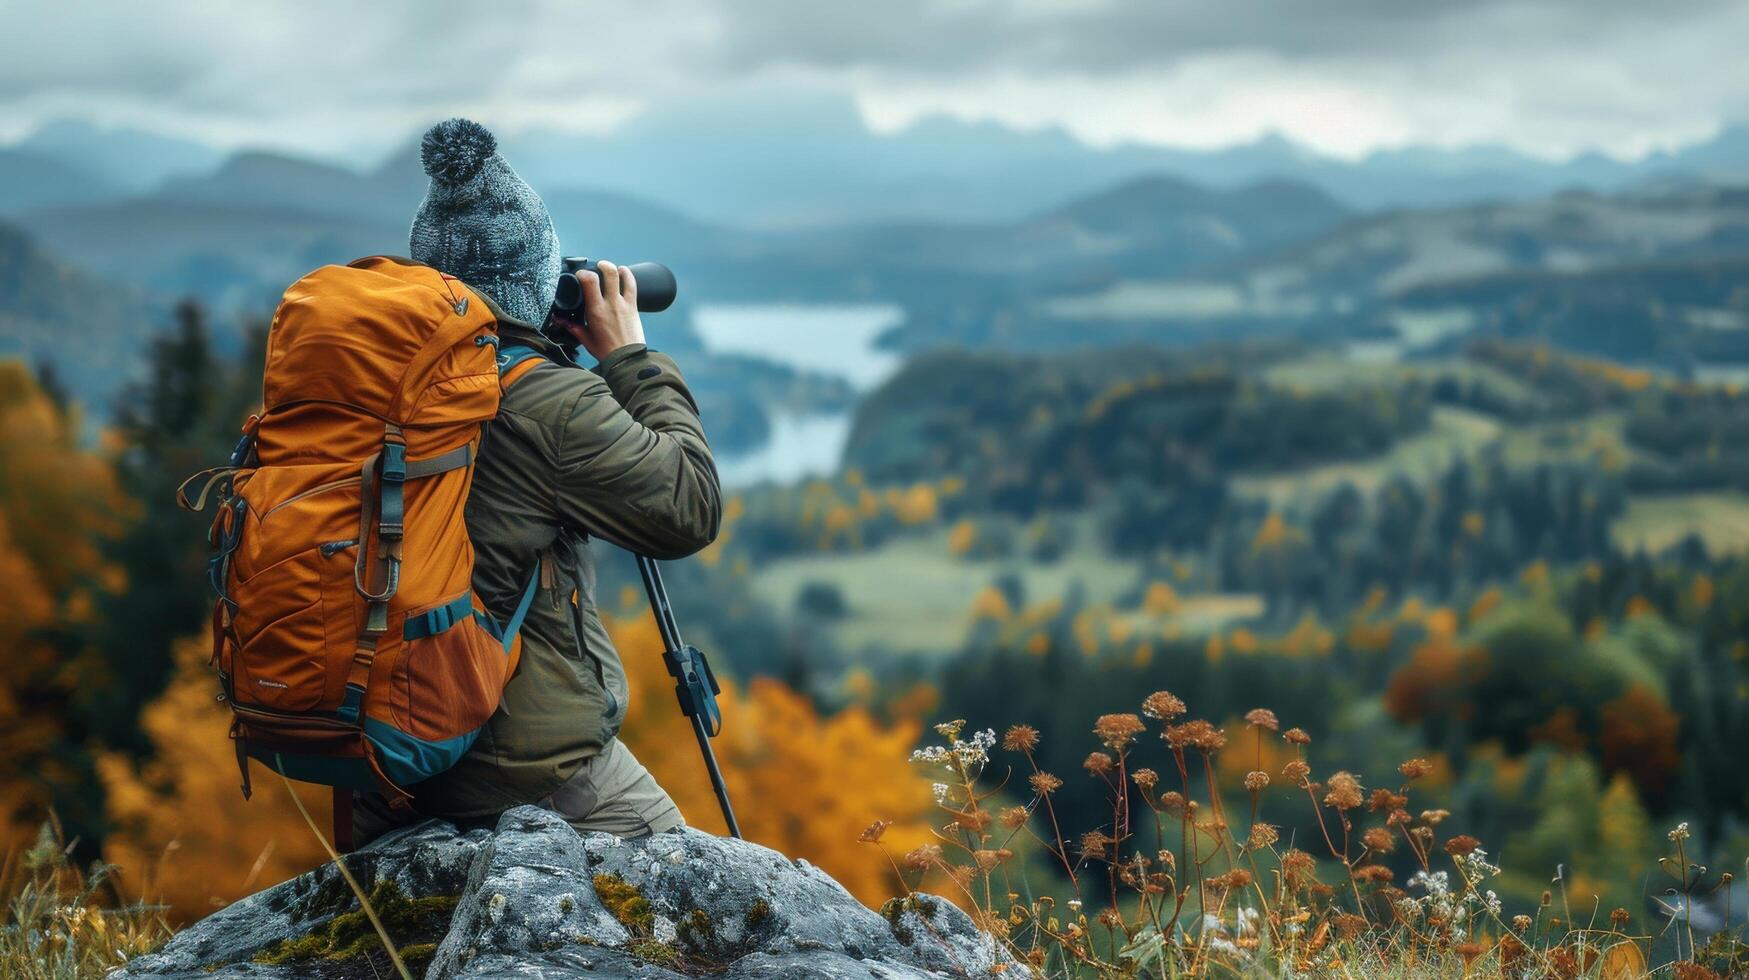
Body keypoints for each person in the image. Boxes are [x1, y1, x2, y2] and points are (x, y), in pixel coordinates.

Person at [351, 118, 721, 845]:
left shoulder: (373, 374)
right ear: (533, 284)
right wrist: (628, 359)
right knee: (697, 900)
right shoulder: (542, 400)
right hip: (513, 764)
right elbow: (690, 507)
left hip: (379, 749)